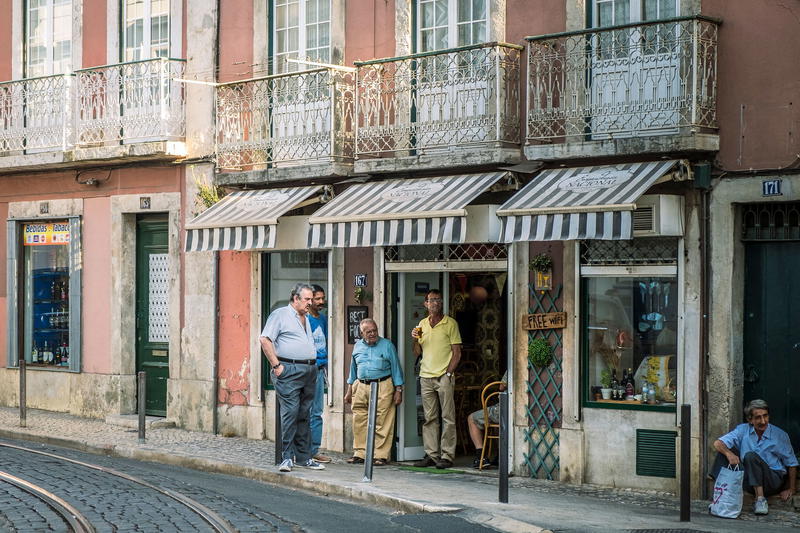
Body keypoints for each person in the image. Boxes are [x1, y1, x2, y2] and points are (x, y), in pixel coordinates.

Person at [260, 283, 326, 473]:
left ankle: (304, 458)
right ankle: (286, 457)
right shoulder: (280, 315)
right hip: (288, 369)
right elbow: (265, 339)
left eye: (311, 300)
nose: (310, 303)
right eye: (307, 299)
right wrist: (276, 366)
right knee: (291, 413)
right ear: (295, 299)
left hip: (309, 369)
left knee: (305, 414)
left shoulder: (307, 317)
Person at [712, 399, 797, 515]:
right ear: (750, 420)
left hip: (772, 481)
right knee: (723, 454)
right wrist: (729, 454)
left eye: (765, 416)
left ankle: (760, 499)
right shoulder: (743, 430)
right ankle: (721, 496)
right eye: (758, 417)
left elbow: (792, 464)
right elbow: (718, 443)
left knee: (750, 456)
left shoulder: (779, 435)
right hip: (749, 479)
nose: (763, 421)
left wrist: (791, 488)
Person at [411, 289, 462, 469]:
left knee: (448, 417)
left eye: (437, 300)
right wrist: (415, 340)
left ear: (441, 303)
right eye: (431, 300)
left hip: (443, 376)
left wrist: (448, 374)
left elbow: (457, 352)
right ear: (425, 304)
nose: (434, 303)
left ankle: (447, 455)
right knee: (429, 418)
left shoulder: (451, 324)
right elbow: (417, 352)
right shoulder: (422, 324)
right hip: (426, 376)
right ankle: (431, 454)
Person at [344, 318, 403, 466]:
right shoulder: (357, 346)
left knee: (382, 420)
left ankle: (380, 455)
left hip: (383, 384)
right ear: (362, 333)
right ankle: (360, 453)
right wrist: (349, 391)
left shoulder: (387, 345)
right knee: (359, 420)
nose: (372, 334)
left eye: (374, 330)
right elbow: (353, 370)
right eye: (368, 332)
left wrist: (398, 390)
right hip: (361, 385)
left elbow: (396, 368)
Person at [307, 284, 331, 464]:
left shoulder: (323, 319)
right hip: (306, 368)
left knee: (317, 411)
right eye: (318, 299)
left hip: (320, 369)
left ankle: (313, 450)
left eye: (322, 298)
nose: (321, 302)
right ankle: (301, 450)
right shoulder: (304, 320)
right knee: (303, 411)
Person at [467, 370, 507, 468]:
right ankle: (500, 455)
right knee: (497, 423)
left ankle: (481, 457)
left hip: (504, 408)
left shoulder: (512, 368)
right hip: (515, 411)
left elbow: (501, 387)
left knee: (471, 418)